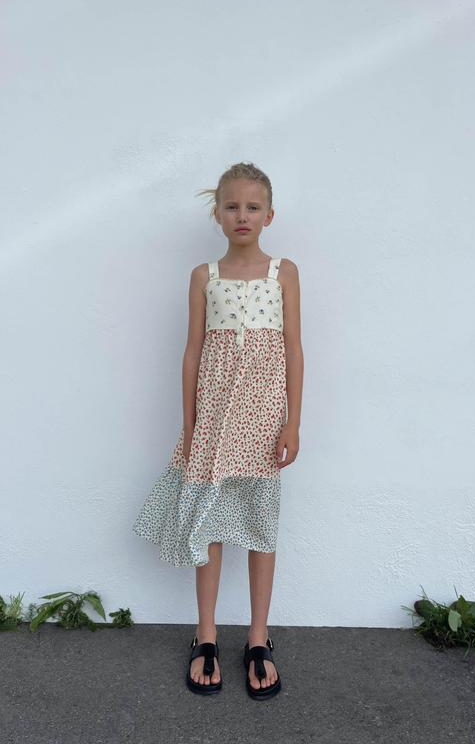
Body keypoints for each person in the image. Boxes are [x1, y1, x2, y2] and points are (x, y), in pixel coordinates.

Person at [132, 161, 303, 699]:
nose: (242, 215)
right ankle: (205, 634)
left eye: (253, 207)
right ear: (217, 214)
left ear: (269, 215)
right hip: (212, 420)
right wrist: (189, 425)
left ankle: (258, 637)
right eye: (232, 206)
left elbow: (293, 350)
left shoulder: (284, 273)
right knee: (205, 524)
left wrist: (292, 422)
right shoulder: (203, 276)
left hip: (262, 423)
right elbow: (192, 352)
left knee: (260, 525)